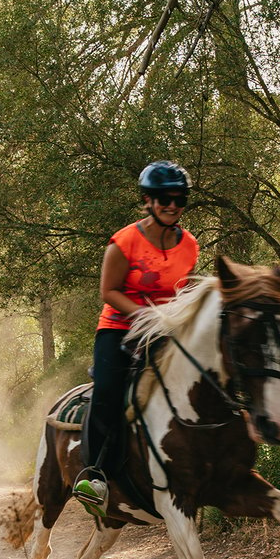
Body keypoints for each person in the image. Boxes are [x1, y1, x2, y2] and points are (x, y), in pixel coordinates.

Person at [73, 161, 200, 517]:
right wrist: (146, 316)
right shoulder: (124, 242)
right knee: (110, 392)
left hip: (165, 328)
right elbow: (108, 291)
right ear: (148, 200)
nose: (172, 205)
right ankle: (95, 475)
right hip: (119, 328)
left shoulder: (190, 245)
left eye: (179, 198)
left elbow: (181, 289)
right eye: (163, 198)